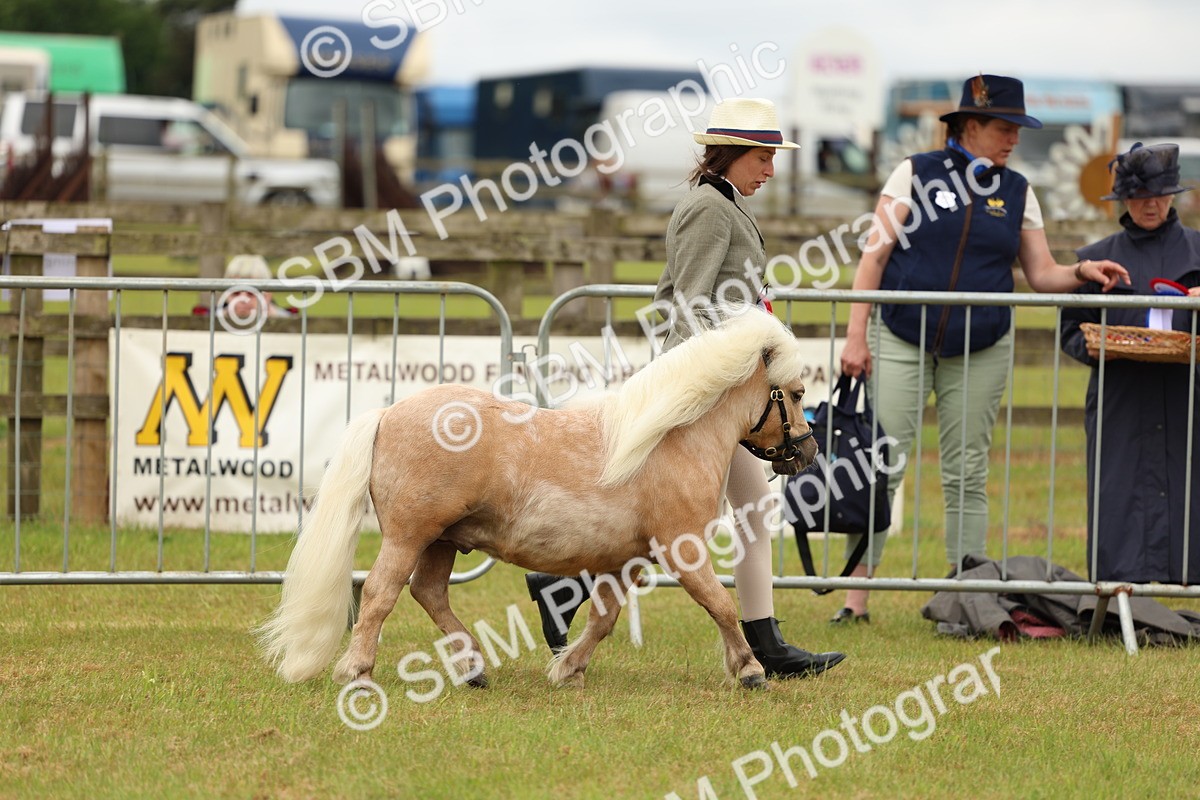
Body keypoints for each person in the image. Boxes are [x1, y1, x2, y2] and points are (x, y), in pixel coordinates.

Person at [527, 98, 845, 678]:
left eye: (773, 155)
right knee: (733, 511)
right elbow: (690, 305)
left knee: (743, 509)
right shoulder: (708, 209)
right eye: (762, 156)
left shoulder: (721, 203)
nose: (770, 169)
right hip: (709, 396)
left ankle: (562, 586)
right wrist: (701, 393)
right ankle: (760, 645)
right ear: (730, 154)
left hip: (723, 394)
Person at [833, 75, 1131, 623]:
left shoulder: (1018, 189)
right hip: (899, 336)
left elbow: (1042, 274)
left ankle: (963, 599)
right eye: (1003, 127)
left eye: (1017, 129)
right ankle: (856, 601)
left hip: (982, 345)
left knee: (967, 472)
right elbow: (872, 260)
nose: (1013, 138)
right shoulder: (914, 173)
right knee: (883, 463)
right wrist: (856, 335)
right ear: (970, 126)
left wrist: (1083, 271)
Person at [1060, 142, 1200, 584]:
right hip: (1120, 399)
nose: (1150, 204)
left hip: (1187, 398)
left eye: (1160, 194)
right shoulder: (1094, 258)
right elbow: (1070, 330)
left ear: (1174, 195)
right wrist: (1098, 348)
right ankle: (1120, 588)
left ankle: (1191, 583)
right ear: (1123, 199)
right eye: (1139, 197)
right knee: (1117, 491)